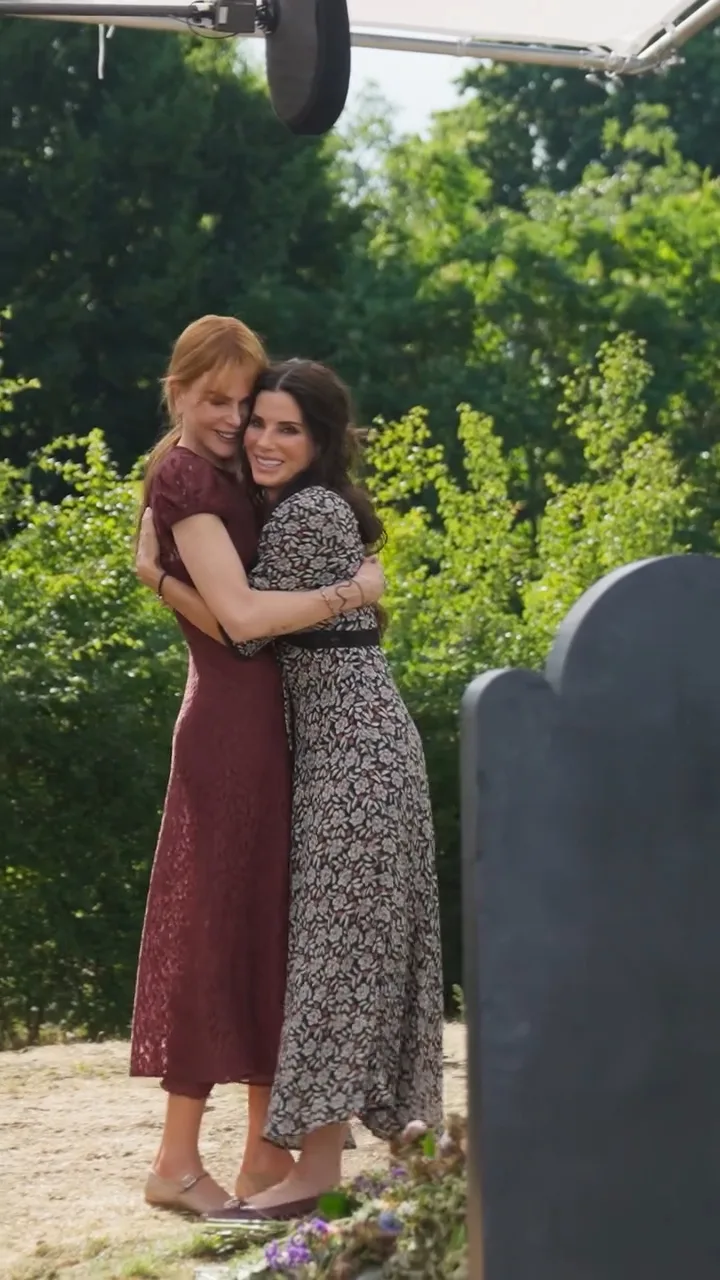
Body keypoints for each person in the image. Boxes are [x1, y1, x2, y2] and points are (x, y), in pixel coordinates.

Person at [135, 357, 445, 1223]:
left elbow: (245, 625)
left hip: (353, 756)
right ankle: (353, 1159)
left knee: (338, 961)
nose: (259, 438)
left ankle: (313, 1170)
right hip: (353, 749)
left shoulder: (306, 514)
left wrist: (157, 576)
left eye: (283, 427)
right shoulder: (297, 507)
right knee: (355, 957)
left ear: (321, 443)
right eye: (252, 420)